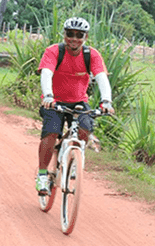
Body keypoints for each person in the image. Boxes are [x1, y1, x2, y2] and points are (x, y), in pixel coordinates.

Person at [35, 17, 114, 195]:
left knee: (85, 128)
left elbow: (101, 77)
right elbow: (46, 73)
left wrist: (107, 101)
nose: (74, 38)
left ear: (85, 37)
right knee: (52, 132)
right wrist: (48, 95)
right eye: (70, 34)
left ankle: (73, 162)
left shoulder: (91, 54)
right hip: (54, 101)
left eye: (79, 35)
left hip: (79, 102)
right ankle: (41, 175)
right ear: (64, 34)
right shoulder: (54, 51)